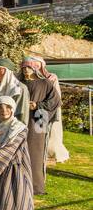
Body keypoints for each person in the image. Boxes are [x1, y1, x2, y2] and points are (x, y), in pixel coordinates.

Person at [21, 55, 61, 195]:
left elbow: (55, 102)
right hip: (22, 119)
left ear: (35, 68)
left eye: (29, 67)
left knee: (36, 151)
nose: (26, 70)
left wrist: (37, 105)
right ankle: (20, 182)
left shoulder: (45, 83)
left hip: (40, 118)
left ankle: (36, 186)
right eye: (24, 68)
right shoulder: (20, 83)